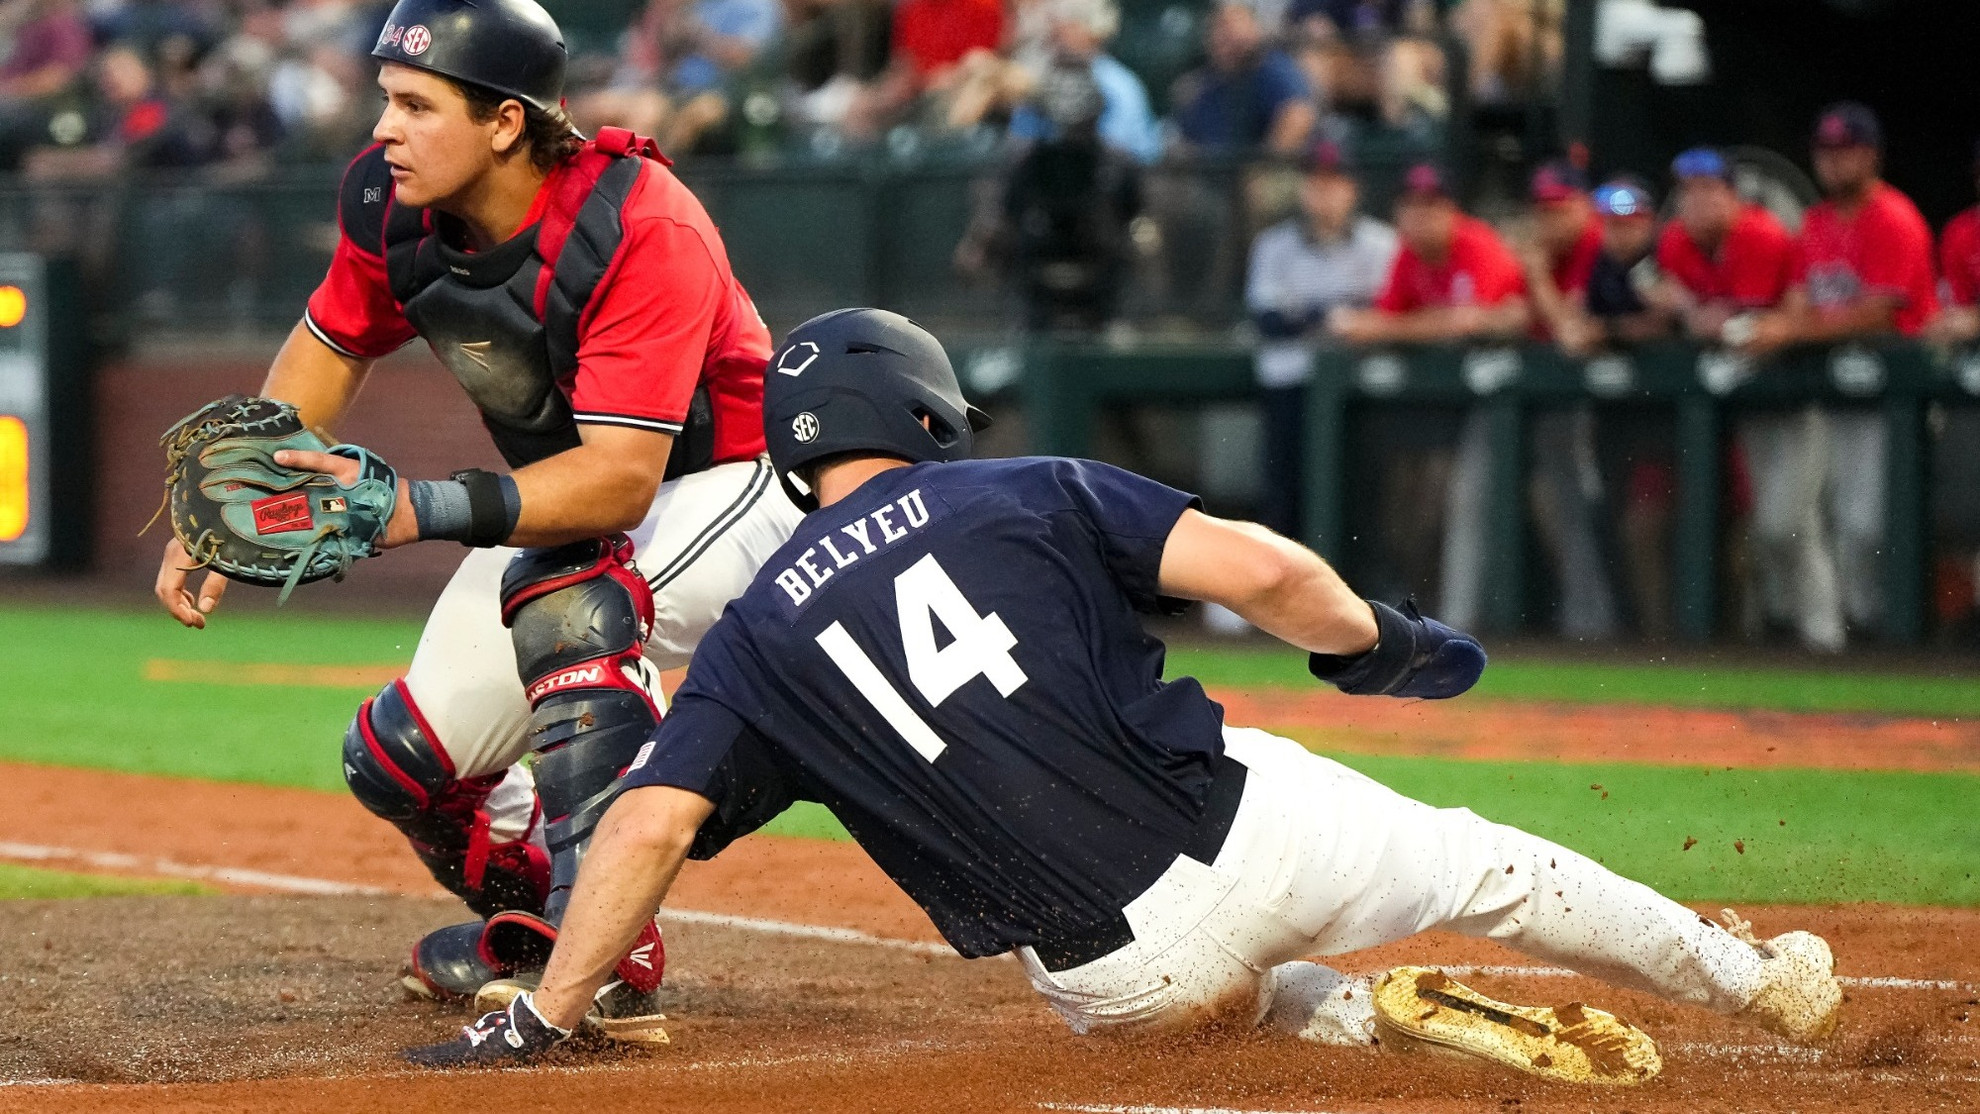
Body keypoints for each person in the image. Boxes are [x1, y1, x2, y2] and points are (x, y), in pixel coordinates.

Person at [400, 308, 1843, 1075]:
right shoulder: (1027, 486)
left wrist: (547, 1013)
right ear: (920, 412)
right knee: (1490, 863)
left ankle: (1360, 1018)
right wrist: (1373, 646)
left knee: (1243, 1001)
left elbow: (650, 825)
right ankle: (1756, 981)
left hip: (1109, 979)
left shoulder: (756, 634)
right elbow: (1268, 571)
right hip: (1244, 832)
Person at [150, 0, 801, 1035]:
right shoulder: (389, 201)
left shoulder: (641, 220)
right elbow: (331, 348)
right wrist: (235, 505)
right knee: (398, 762)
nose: (382, 129)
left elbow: (623, 482)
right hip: (575, 506)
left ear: (505, 122)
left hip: (741, 487)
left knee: (575, 592)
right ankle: (537, 924)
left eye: (415, 103)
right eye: (384, 100)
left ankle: (609, 955)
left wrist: (415, 508)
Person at [1740, 102, 1936, 651]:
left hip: (1900, 395)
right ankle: (1841, 635)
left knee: (1869, 525)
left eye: (1845, 150)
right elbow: (1802, 301)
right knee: (1808, 521)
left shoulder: (1894, 216)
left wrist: (1792, 333)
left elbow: (1881, 311)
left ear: (1871, 155)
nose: (1833, 162)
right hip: (1832, 393)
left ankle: (1889, 636)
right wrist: (1770, 326)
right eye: (1825, 151)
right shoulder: (1817, 224)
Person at [1331, 162, 1527, 631]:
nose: (1422, 218)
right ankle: (1436, 618)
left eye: (1433, 206)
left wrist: (1398, 328)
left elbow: (1470, 321)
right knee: (1423, 499)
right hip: (1452, 405)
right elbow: (1378, 326)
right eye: (1413, 207)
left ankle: (1475, 622)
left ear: (1452, 209)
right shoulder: (1408, 254)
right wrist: (1403, 327)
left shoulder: (1476, 244)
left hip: (1521, 403)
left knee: (1475, 505)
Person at [1244, 138, 1397, 541]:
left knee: (1361, 505)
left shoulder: (1382, 243)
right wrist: (1337, 314)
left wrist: (1310, 315)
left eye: (1335, 182)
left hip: (1360, 389)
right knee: (1284, 503)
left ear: (1353, 188)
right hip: (1290, 387)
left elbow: (1388, 313)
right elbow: (1269, 320)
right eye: (1316, 182)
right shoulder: (1273, 245)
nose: (1325, 193)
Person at [1649, 146, 1794, 346]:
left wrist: (1690, 309)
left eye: (1708, 187)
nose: (1697, 199)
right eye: (1687, 189)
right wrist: (1690, 310)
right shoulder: (1674, 237)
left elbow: (1747, 319)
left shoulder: (1759, 233)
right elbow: (1666, 298)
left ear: (1733, 195)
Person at [1006, 0, 1160, 164]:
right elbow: (1019, 143)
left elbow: (1136, 154)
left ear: (1090, 30)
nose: (1052, 33)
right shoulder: (1038, 81)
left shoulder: (1117, 87)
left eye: (1063, 25)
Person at [1167, 0, 1316, 157]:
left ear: (1254, 28)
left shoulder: (1273, 69)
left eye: (1233, 25)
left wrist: (1263, 169)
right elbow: (1185, 142)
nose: (1227, 35)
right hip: (1213, 173)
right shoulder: (1202, 86)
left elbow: (1299, 116)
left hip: (1268, 172)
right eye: (1219, 27)